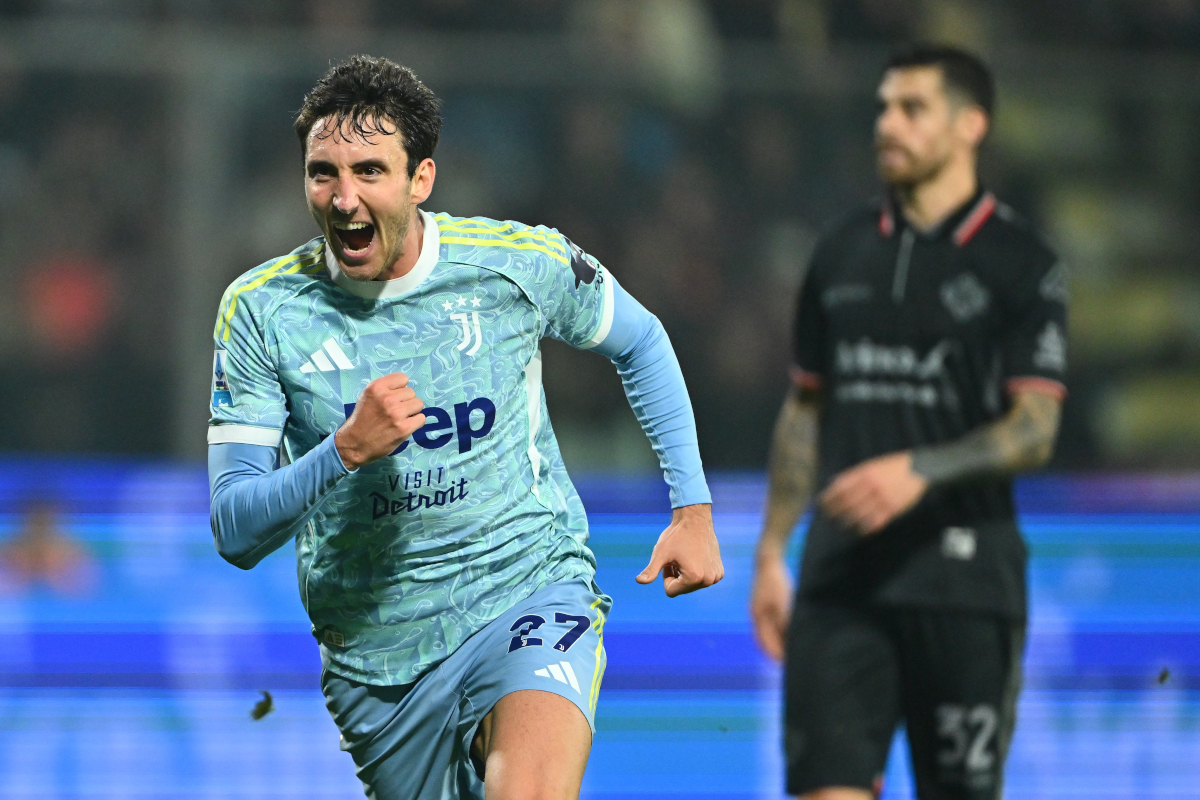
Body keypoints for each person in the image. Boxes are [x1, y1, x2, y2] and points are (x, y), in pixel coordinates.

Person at [207, 55, 723, 800]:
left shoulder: (513, 266)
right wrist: (344, 451)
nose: (344, 198)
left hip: (526, 587)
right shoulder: (262, 312)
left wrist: (693, 507)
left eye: (370, 172)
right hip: (377, 661)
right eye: (323, 172)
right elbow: (233, 527)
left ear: (421, 180)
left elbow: (639, 339)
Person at [750, 45, 1067, 800]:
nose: (887, 123)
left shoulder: (1021, 261)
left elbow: (1035, 428)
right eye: (884, 106)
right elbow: (806, 407)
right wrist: (770, 551)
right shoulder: (839, 251)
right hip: (840, 581)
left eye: (912, 108)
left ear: (971, 126)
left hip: (964, 584)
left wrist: (918, 470)